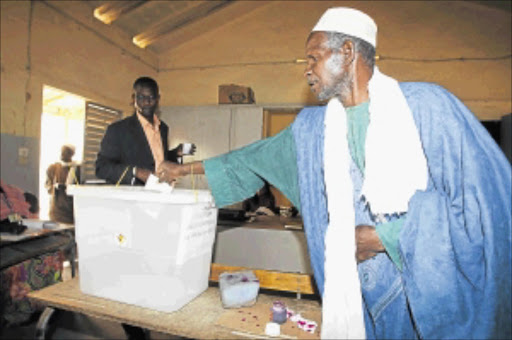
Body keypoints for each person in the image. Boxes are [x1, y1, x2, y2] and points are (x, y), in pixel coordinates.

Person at [156, 7, 511, 340]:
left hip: (421, 303)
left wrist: (383, 237)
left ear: (347, 51)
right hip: (355, 302)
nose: (306, 70)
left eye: (313, 58)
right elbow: (250, 159)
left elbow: (488, 212)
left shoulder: (428, 107)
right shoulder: (313, 129)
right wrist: (181, 170)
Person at [95, 76, 196, 185]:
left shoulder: (163, 128)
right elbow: (102, 168)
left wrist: (176, 153)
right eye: (141, 97)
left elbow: (155, 160)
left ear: (158, 99)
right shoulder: (118, 129)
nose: (147, 102)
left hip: (162, 191)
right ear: (134, 98)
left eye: (151, 97)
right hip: (133, 196)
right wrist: (135, 172)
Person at [45, 144, 80, 224]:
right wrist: (55, 187)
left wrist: (68, 188)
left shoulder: (76, 169)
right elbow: (48, 187)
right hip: (56, 211)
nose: (63, 154)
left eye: (66, 152)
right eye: (62, 152)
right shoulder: (53, 168)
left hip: (70, 211)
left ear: (72, 154)